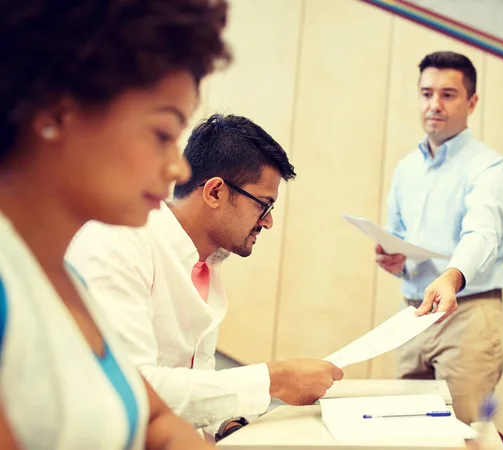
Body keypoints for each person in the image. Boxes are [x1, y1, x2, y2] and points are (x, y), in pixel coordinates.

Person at [0, 0, 231, 448]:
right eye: (163, 134)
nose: (178, 169)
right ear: (55, 111)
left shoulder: (64, 279)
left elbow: (153, 420)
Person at [67, 113, 344, 438]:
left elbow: (196, 379)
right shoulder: (118, 242)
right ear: (214, 192)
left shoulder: (205, 261)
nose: (268, 222)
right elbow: (135, 386)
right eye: (264, 206)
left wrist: (228, 427)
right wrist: (274, 379)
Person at [375, 51, 503, 424]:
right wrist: (397, 259)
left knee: (462, 435)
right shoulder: (407, 167)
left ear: (472, 102)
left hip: (468, 317)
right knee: (408, 430)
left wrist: (452, 276)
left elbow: (483, 233)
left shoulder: (489, 168)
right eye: (426, 93)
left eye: (448, 94)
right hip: (414, 312)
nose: (434, 104)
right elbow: (401, 235)